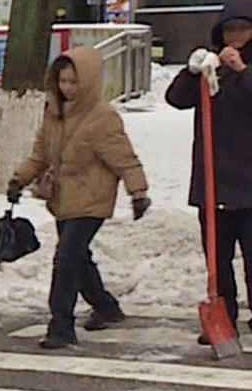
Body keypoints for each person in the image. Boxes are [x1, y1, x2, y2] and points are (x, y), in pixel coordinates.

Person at [164, 0, 252, 352]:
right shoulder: (210, 64)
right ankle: (223, 319)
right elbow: (176, 99)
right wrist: (192, 72)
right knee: (217, 262)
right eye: (230, 29)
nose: (236, 37)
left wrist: (243, 70)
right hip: (214, 180)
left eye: (243, 29)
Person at [8, 47, 152, 350]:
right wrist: (18, 179)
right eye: (63, 82)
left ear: (87, 81)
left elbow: (124, 159)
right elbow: (41, 155)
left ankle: (61, 326)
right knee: (78, 257)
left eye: (74, 82)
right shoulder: (54, 112)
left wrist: (138, 192)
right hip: (64, 199)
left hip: (92, 200)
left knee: (67, 258)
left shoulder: (102, 117)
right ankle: (105, 306)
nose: (68, 88)